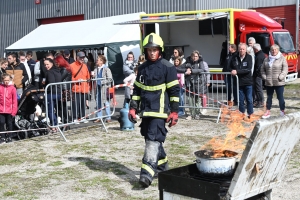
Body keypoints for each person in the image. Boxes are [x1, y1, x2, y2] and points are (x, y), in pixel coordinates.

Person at [128, 33, 180, 188]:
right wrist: (132, 108)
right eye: (149, 50)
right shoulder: (142, 68)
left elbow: (174, 92)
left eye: (154, 49)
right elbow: (137, 90)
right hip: (146, 112)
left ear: (160, 50)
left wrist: (174, 112)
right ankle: (162, 167)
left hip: (160, 112)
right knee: (151, 139)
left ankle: (147, 174)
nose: (152, 52)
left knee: (152, 139)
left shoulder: (168, 67)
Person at [177, 50, 210, 120]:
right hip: (189, 84)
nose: (195, 58)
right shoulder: (187, 62)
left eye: (196, 56)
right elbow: (178, 68)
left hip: (198, 84)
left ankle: (197, 114)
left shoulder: (200, 62)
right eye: (193, 56)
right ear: (191, 56)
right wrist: (186, 71)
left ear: (198, 56)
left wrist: (192, 71)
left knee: (197, 100)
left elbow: (202, 70)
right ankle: (192, 114)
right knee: (190, 99)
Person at [261, 44, 288, 118]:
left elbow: (285, 69)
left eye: (275, 49)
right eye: (272, 50)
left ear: (278, 50)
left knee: (280, 97)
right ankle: (268, 111)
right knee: (269, 97)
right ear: (270, 51)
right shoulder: (267, 59)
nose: (274, 51)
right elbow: (262, 70)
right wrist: (265, 77)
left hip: (279, 82)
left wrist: (281, 77)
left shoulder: (282, 58)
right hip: (269, 82)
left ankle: (282, 111)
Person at [230, 43, 253, 119]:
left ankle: (250, 113)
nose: (242, 50)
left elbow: (248, 69)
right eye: (240, 49)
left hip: (248, 82)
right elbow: (229, 67)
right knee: (240, 100)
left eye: (243, 49)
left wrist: (237, 72)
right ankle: (242, 113)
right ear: (238, 49)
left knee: (249, 99)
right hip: (238, 83)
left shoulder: (249, 57)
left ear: (246, 50)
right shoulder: (234, 57)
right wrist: (232, 71)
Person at [70, 52, 90, 123]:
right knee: (75, 104)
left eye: (83, 57)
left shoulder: (84, 66)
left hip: (83, 88)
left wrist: (88, 82)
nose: (82, 59)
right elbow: (69, 77)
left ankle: (82, 116)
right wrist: (76, 80)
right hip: (76, 88)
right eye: (81, 57)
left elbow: (88, 76)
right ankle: (75, 117)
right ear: (77, 57)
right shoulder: (72, 66)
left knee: (82, 104)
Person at [92, 55, 112, 123]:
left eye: (98, 60)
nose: (96, 61)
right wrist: (93, 76)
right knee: (98, 102)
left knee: (106, 103)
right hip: (97, 88)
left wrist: (102, 82)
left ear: (102, 61)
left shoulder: (106, 69)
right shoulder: (95, 69)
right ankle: (99, 117)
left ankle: (108, 117)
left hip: (104, 88)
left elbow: (110, 79)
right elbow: (94, 79)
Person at [44, 58, 62, 132]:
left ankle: (54, 126)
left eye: (47, 64)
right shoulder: (57, 71)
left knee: (50, 110)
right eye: (45, 65)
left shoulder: (50, 72)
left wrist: (45, 88)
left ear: (51, 64)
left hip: (52, 93)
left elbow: (51, 82)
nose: (46, 66)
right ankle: (55, 125)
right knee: (54, 110)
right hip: (58, 93)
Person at [0, 74, 17, 144]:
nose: (6, 82)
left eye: (7, 80)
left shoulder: (12, 88)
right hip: (1, 109)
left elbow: (14, 100)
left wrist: (14, 111)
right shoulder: (0, 87)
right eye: (5, 80)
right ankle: (2, 137)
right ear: (2, 80)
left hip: (9, 110)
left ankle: (10, 136)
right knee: (1, 123)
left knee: (9, 123)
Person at [54, 55, 72, 124]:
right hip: (64, 88)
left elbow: (60, 78)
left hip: (64, 89)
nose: (56, 64)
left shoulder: (64, 69)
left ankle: (65, 119)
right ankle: (65, 119)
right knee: (63, 106)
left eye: (57, 62)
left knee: (62, 106)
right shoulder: (65, 68)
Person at [252, 43, 265, 108]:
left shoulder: (259, 56)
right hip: (259, 75)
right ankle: (259, 101)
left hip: (258, 76)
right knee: (258, 88)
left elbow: (258, 67)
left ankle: (261, 101)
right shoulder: (261, 54)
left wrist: (256, 74)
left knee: (258, 88)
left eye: (253, 49)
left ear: (256, 49)